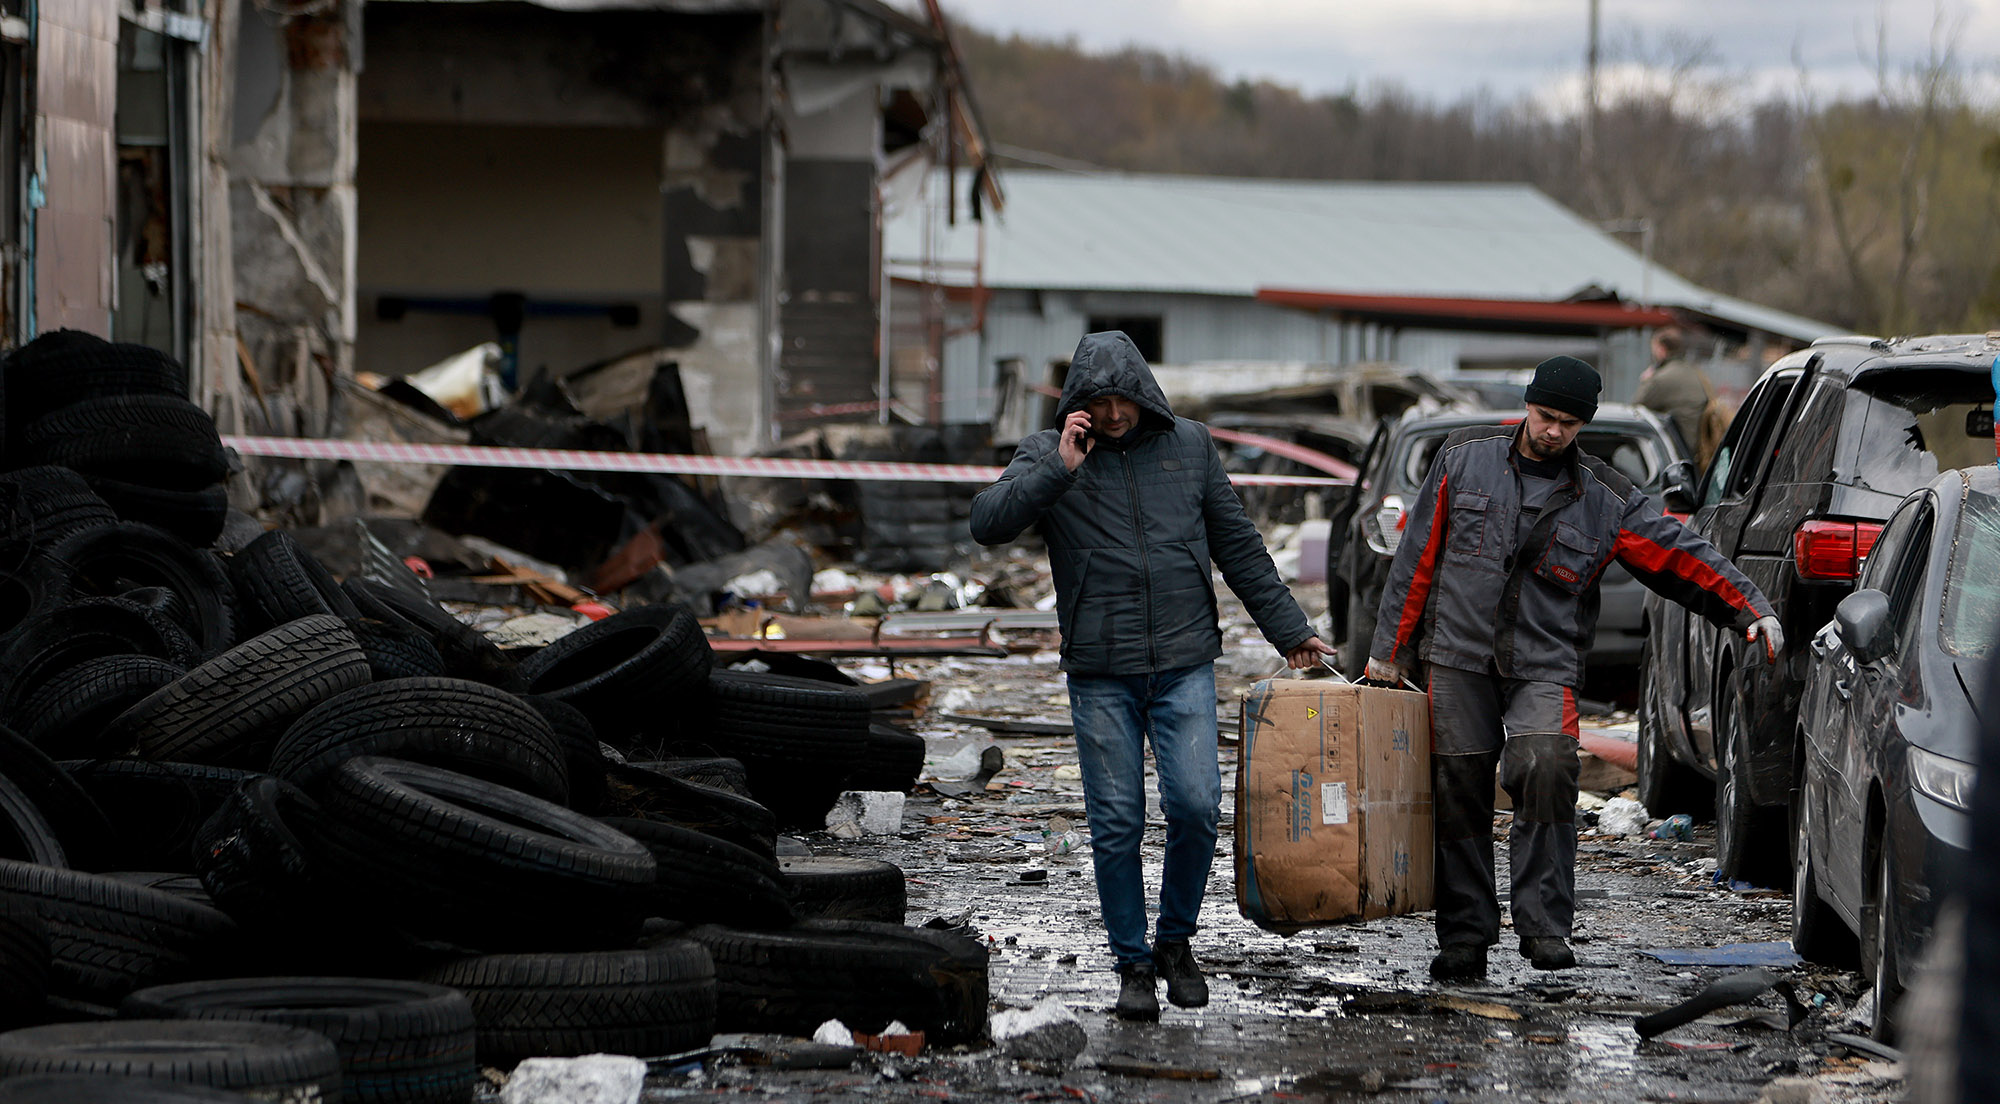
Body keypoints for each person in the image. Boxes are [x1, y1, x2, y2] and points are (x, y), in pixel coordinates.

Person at [1364, 355, 1780, 980]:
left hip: (1544, 660)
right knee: (1457, 788)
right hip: (1456, 654)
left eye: (1568, 423)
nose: (1553, 431)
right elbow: (1415, 558)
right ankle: (1465, 935)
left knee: (1547, 765)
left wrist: (1751, 608)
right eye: (1545, 416)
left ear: (1583, 425)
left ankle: (1544, 926)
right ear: (1527, 407)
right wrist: (1388, 653)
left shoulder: (1605, 498)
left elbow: (1678, 554)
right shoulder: (1463, 459)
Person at [971, 330, 1334, 1021]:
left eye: (1124, 400)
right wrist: (1060, 469)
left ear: (1144, 393)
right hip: (1100, 669)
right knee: (1116, 822)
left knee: (1196, 807)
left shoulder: (1190, 446)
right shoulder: (1049, 452)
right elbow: (987, 523)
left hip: (1183, 660)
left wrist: (1290, 630)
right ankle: (1133, 964)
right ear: (1079, 403)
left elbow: (1238, 544)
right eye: (1100, 402)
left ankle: (1175, 942)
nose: (1114, 415)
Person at [1634, 327, 1713, 459]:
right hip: (1701, 449)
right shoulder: (1694, 373)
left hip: (1679, 451)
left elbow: (1635, 410)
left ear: (1662, 349)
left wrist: (1646, 381)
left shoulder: (1661, 378)